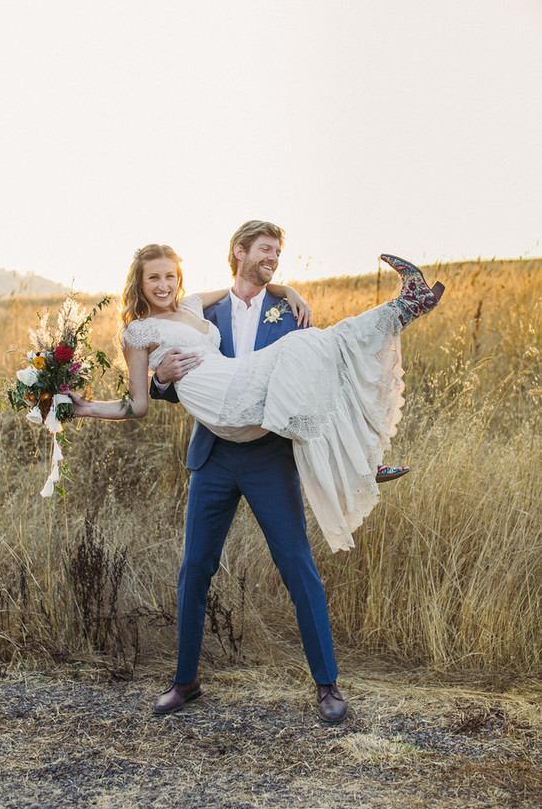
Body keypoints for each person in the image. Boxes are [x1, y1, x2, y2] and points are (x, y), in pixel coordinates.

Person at [70, 221, 444, 723]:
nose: (163, 284)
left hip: (267, 452)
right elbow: (141, 401)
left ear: (179, 278)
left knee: (298, 566)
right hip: (215, 451)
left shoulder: (246, 307)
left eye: (169, 276)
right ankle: (185, 681)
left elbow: (306, 374)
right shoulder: (175, 320)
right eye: (153, 277)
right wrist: (142, 385)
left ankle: (327, 685)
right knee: (194, 570)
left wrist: (286, 289)